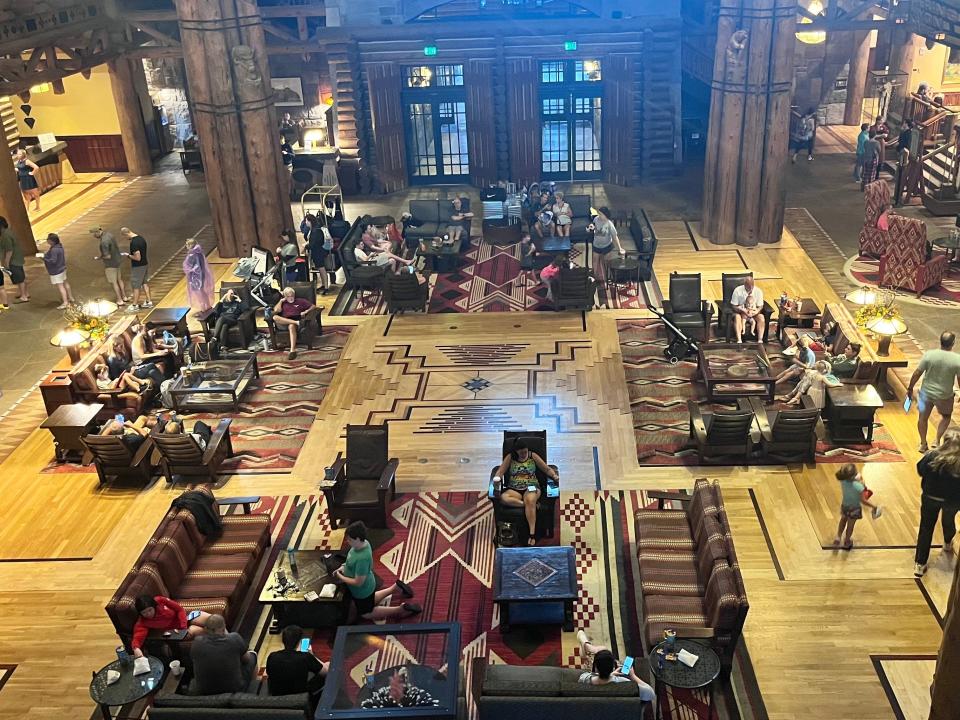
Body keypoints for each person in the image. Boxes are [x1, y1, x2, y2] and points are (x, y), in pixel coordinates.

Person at [333, 521, 421, 620]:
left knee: (365, 613)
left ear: (357, 539)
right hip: (367, 586)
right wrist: (343, 567)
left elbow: (358, 582)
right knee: (370, 601)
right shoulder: (363, 544)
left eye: (349, 540)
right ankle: (395, 588)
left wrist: (341, 577)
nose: (347, 542)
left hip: (362, 591)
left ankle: (400, 609)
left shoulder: (362, 558)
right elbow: (350, 561)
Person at [493, 438, 559, 545]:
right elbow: (500, 471)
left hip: (531, 486)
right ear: (516, 452)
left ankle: (531, 534)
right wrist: (497, 478)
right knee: (504, 498)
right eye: (521, 452)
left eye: (525, 451)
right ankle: (529, 505)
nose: (524, 454)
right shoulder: (510, 457)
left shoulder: (533, 456)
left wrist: (554, 476)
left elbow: (546, 469)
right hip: (515, 488)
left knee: (530, 498)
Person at [913, 431, 960, 577]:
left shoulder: (932, 455)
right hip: (953, 500)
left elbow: (920, 470)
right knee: (948, 520)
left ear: (944, 441)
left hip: (930, 497)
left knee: (926, 528)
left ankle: (920, 564)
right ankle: (947, 543)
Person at [907, 331, 960, 453]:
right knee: (946, 417)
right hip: (945, 395)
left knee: (922, 418)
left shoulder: (929, 355)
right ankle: (936, 440)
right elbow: (959, 379)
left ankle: (923, 443)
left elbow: (917, 373)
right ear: (953, 343)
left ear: (940, 341)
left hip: (925, 393)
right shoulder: (957, 359)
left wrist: (910, 388)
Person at [575, 630, 655, 700]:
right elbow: (651, 694)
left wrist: (611, 674)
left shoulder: (584, 678)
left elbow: (596, 680)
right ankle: (589, 648)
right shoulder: (626, 684)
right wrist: (633, 676)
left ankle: (588, 647)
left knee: (602, 650)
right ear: (613, 666)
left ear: (595, 667)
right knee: (603, 649)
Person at [191, 613, 258, 695]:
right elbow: (246, 659)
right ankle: (254, 688)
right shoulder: (234, 638)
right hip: (234, 690)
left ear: (205, 629)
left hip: (204, 691)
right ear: (224, 628)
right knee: (253, 655)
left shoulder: (197, 643)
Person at [131, 594, 210, 659]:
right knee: (196, 629)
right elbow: (138, 636)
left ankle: (220, 634)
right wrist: (136, 648)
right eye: (144, 612)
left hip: (184, 619)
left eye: (150, 610)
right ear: (140, 613)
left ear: (154, 606)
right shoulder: (142, 622)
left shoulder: (160, 600)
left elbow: (179, 609)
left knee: (212, 619)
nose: (148, 614)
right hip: (178, 633)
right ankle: (218, 641)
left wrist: (184, 625)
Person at [265, 624, 328, 700]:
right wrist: (312, 656)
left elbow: (269, 675)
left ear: (283, 641)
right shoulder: (305, 657)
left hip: (277, 695)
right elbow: (326, 672)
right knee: (327, 665)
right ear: (299, 641)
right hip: (300, 696)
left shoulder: (272, 656)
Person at [833, 463, 882, 550]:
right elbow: (863, 500)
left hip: (845, 506)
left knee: (843, 520)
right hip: (854, 509)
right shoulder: (859, 487)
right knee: (850, 526)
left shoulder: (843, 482)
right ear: (854, 475)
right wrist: (874, 506)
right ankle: (847, 541)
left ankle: (838, 537)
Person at [271, 286, 316, 360]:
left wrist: (306, 311)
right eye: (288, 296)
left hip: (295, 321)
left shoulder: (300, 301)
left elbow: (313, 306)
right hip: (284, 321)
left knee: (291, 326)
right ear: (285, 296)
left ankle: (292, 350)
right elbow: (276, 310)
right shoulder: (282, 302)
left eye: (292, 296)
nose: (291, 298)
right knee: (275, 317)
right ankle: (296, 322)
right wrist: (281, 301)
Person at [92, 226, 128, 304]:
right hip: (117, 260)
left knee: (114, 282)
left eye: (94, 234)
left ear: (97, 232)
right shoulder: (109, 235)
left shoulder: (103, 242)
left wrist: (99, 258)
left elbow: (107, 256)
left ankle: (119, 299)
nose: (94, 236)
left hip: (110, 264)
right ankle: (124, 296)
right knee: (120, 279)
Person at [589, 207, 624, 285]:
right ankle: (594, 275)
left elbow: (615, 237)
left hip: (606, 246)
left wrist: (620, 248)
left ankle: (607, 278)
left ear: (606, 215)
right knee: (595, 260)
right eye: (599, 214)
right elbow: (593, 226)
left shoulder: (609, 224)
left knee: (606, 262)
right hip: (596, 245)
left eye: (601, 214)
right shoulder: (596, 219)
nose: (599, 215)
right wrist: (590, 228)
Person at [121, 227, 153, 311]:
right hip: (145, 264)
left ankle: (134, 305)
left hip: (138, 267)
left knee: (136, 286)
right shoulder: (141, 238)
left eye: (125, 237)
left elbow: (137, 257)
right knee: (145, 283)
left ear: (126, 234)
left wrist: (128, 255)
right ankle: (149, 302)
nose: (125, 239)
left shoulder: (134, 243)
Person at [41, 233, 74, 308]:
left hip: (56, 270)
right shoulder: (59, 246)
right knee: (65, 282)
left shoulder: (54, 250)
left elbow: (53, 261)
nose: (47, 241)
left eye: (48, 239)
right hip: (62, 268)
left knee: (60, 286)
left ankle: (65, 302)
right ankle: (71, 297)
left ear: (52, 241)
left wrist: (43, 258)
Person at [0, 216, 28, 302]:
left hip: (13, 260)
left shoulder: (5, 235)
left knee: (19, 278)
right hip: (17, 258)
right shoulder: (9, 232)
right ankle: (25, 293)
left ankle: (24, 296)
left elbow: (9, 250)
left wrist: (6, 262)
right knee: (21, 277)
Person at [730, 276, 765, 343]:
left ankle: (760, 340)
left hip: (753, 313)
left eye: (751, 286)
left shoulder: (758, 291)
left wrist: (756, 311)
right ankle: (739, 340)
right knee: (737, 317)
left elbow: (760, 306)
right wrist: (743, 310)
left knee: (761, 317)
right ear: (744, 284)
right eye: (748, 287)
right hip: (741, 313)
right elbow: (733, 305)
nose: (750, 288)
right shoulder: (737, 290)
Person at [303, 214, 333, 294]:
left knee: (322, 269)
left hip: (318, 252)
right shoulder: (315, 229)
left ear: (310, 221)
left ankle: (326, 287)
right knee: (320, 269)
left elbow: (313, 243)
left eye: (306, 221)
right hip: (318, 251)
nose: (305, 223)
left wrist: (306, 246)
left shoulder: (315, 231)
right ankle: (324, 285)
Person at [183, 238, 214, 314]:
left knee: (199, 293)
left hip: (195, 277)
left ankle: (203, 308)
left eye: (187, 244)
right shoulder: (198, 252)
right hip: (201, 275)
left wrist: (189, 270)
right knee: (202, 291)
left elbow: (192, 266)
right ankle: (207, 306)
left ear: (191, 245)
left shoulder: (192, 254)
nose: (186, 246)